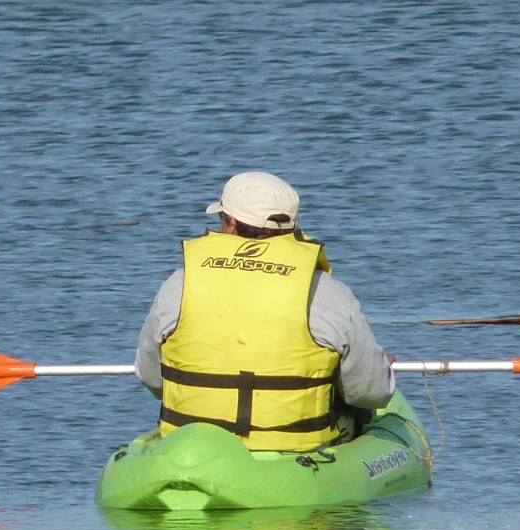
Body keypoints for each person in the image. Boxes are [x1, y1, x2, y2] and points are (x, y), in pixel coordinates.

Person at [134, 171, 395, 451]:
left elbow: (150, 375)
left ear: (231, 223)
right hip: (292, 458)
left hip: (191, 450)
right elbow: (372, 393)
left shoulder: (177, 285)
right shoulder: (329, 293)